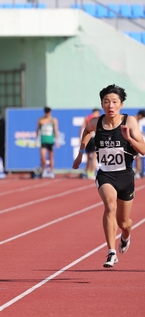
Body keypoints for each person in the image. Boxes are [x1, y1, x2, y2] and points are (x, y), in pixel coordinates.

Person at [72, 84, 145, 268]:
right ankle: (111, 252)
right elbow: (87, 131)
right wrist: (81, 153)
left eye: (114, 102)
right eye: (106, 102)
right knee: (109, 206)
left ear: (121, 104)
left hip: (126, 176)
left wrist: (128, 139)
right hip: (105, 175)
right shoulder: (96, 122)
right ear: (102, 104)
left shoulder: (130, 122)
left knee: (124, 222)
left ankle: (126, 235)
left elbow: (143, 151)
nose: (110, 105)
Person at [36, 107, 59, 178]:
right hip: (43, 141)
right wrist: (36, 140)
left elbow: (55, 130)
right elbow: (37, 130)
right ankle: (45, 170)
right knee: (43, 156)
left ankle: (51, 171)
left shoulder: (54, 120)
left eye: (48, 112)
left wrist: (57, 140)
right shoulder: (40, 120)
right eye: (46, 112)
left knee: (51, 157)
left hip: (51, 141)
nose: (47, 114)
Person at [80, 108, 101, 179]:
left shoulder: (87, 117)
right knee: (94, 157)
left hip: (87, 138)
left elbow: (82, 127)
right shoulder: (97, 119)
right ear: (96, 112)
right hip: (94, 138)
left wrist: (81, 137)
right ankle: (92, 172)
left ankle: (88, 172)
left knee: (88, 157)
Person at [134, 110, 145, 179]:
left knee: (138, 158)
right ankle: (137, 172)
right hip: (132, 142)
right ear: (140, 115)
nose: (142, 119)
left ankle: (137, 172)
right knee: (137, 158)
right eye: (142, 117)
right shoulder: (133, 120)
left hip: (136, 142)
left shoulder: (138, 121)